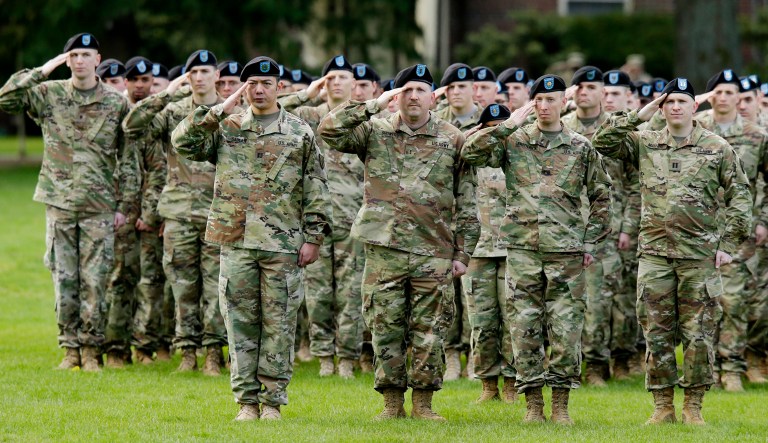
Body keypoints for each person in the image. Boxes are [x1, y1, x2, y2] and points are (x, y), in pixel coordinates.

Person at [172, 56, 331, 421]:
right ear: (244, 89)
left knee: (279, 323)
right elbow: (182, 142)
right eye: (251, 84)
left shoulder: (298, 131)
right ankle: (246, 402)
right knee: (239, 324)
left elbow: (316, 187)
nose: (259, 90)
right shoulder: (227, 127)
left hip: (282, 243)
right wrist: (216, 110)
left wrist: (314, 237)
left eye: (266, 83)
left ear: (278, 86)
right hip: (236, 240)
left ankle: (272, 402)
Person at [318, 63, 479, 421]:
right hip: (384, 249)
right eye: (406, 90)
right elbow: (329, 130)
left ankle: (423, 404)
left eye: (421, 90)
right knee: (384, 326)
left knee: (430, 331)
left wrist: (463, 252)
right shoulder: (374, 131)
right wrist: (374, 103)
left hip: (434, 250)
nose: (413, 97)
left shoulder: (452, 138)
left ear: (434, 97)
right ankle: (391, 404)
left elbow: (467, 199)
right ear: (395, 96)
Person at [593, 78, 752, 425]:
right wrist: (641, 113)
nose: (675, 107)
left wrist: (727, 245)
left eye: (682, 101)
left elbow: (741, 196)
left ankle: (693, 407)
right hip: (654, 256)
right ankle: (663, 407)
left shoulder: (717, 147)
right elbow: (602, 143)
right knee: (657, 332)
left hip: (699, 257)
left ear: (695, 106)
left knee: (699, 334)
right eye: (669, 102)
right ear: (662, 107)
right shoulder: (645, 142)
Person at [462, 74, 612, 425]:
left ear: (564, 103)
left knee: (565, 327)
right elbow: (471, 152)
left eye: (551, 100)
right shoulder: (514, 141)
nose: (544, 106)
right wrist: (508, 124)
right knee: (524, 327)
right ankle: (532, 405)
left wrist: (591, 240)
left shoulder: (580, 147)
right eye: (539, 100)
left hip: (566, 252)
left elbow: (602, 195)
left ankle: (560, 404)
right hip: (523, 250)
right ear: (531, 103)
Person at [0, 33, 137, 371]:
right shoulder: (49, 94)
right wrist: (43, 70)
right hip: (60, 202)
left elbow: (129, 159)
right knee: (65, 278)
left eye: (85, 55)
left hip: (100, 205)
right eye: (72, 55)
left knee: (96, 279)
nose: (78, 61)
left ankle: (91, 350)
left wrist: (125, 206)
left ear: (97, 59)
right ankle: (70, 350)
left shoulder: (116, 102)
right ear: (66, 60)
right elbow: (7, 98)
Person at [123, 49, 227, 376]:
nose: (198, 77)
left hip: (217, 212)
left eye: (204, 72)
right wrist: (165, 94)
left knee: (214, 287)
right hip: (179, 212)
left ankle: (212, 353)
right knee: (182, 287)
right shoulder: (173, 110)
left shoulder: (228, 111)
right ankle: (186, 352)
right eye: (192, 72)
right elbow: (132, 126)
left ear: (216, 76)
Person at [280, 55, 366, 378]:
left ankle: (346, 357)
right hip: (314, 220)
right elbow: (271, 109)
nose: (336, 82)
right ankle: (324, 356)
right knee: (317, 295)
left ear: (355, 85)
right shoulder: (308, 116)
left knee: (350, 293)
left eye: (343, 77)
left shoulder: (362, 119)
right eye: (330, 77)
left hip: (352, 219)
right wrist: (307, 93)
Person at [694, 69, 768, 391]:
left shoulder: (757, 136)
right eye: (717, 92)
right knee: (702, 300)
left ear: (741, 97)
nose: (723, 98)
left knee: (735, 301)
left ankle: (732, 367)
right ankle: (706, 367)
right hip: (698, 226)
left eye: (729, 92)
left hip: (739, 227)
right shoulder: (694, 129)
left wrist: (762, 218)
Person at [461, 103, 517, 403]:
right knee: (481, 322)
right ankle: (488, 385)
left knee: (513, 320)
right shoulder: (469, 160)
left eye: (502, 126)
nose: (497, 132)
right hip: (477, 252)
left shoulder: (520, 158)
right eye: (490, 127)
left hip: (513, 250)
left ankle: (511, 383)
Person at [103, 55, 154, 367]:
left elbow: (157, 167)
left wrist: (148, 210)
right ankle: (114, 348)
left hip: (146, 210)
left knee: (141, 279)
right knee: (117, 279)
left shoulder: (151, 116)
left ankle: (141, 345)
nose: (139, 84)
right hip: (114, 208)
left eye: (144, 79)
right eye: (133, 79)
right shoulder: (115, 113)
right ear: (125, 82)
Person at [435, 62, 480, 380]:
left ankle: (476, 355)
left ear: (473, 89)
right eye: (450, 87)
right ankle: (451, 355)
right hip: (445, 218)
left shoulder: (491, 118)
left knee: (477, 295)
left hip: (482, 217)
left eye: (461, 86)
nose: (455, 92)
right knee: (448, 293)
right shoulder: (437, 124)